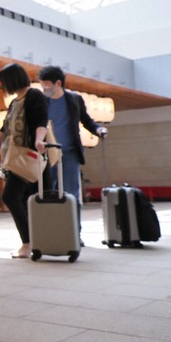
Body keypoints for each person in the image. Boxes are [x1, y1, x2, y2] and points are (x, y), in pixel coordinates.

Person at [37, 65, 107, 243]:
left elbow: (86, 120)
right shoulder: (42, 101)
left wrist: (98, 130)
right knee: (50, 193)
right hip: (47, 155)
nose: (44, 88)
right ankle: (55, 232)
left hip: (70, 154)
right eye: (42, 85)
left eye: (46, 85)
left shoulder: (74, 99)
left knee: (71, 194)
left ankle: (75, 233)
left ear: (58, 83)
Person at [0, 63, 48, 259]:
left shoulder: (34, 96)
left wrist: (39, 140)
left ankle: (28, 243)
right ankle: (34, 241)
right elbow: (3, 131)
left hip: (28, 157)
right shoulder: (14, 103)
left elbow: (41, 121)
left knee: (10, 196)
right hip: (15, 158)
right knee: (22, 198)